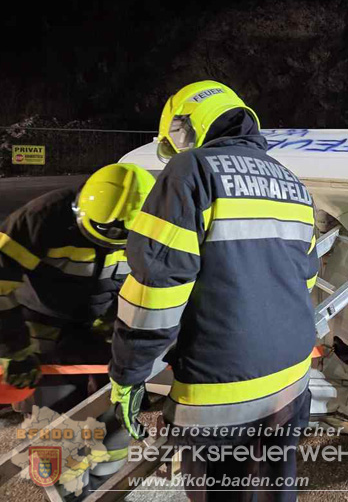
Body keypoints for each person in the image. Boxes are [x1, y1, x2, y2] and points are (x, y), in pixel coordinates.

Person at [109, 80, 318, 501]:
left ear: (189, 125)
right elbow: (305, 279)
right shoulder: (292, 182)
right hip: (291, 383)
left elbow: (157, 289)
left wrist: (129, 373)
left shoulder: (192, 173)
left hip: (221, 396)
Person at [0, 163, 155, 495]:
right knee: (55, 416)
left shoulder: (157, 225)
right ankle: (62, 487)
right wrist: (15, 349)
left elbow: (158, 282)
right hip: (44, 320)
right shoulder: (44, 216)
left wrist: (117, 316)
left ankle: (100, 486)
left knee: (117, 409)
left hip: (106, 322)